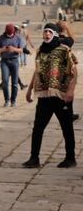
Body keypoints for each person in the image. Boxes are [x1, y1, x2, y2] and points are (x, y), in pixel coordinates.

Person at [23, 23, 77, 169]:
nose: (46, 34)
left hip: (61, 96)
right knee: (38, 128)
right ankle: (34, 158)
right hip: (44, 96)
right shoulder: (40, 50)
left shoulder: (64, 49)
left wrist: (71, 91)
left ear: (54, 34)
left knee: (67, 128)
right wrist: (29, 90)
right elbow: (37, 70)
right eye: (45, 31)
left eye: (49, 31)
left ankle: (70, 158)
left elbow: (74, 71)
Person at [0, 23, 24, 107]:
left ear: (14, 31)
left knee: (15, 82)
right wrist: (3, 49)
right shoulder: (1, 38)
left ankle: (13, 100)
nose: (10, 35)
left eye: (11, 33)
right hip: (4, 61)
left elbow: (21, 50)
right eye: (8, 33)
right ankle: (7, 100)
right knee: (5, 81)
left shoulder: (18, 38)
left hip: (14, 61)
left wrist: (14, 49)